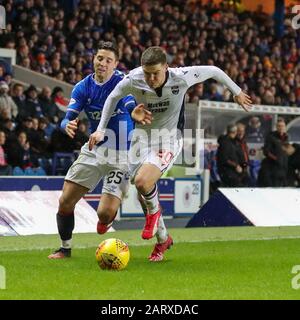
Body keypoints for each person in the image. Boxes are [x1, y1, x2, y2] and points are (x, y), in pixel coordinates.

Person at [89, 46, 252, 261]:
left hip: (168, 139)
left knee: (142, 182)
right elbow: (112, 97)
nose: (151, 78)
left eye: (156, 73)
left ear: (166, 67)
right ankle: (163, 239)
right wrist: (100, 129)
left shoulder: (182, 77)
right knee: (142, 194)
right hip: (140, 140)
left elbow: (214, 70)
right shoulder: (133, 78)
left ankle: (154, 216)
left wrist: (237, 91)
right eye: (147, 73)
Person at [48, 41, 137, 259]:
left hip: (122, 155)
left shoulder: (123, 83)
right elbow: (67, 118)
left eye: (108, 60)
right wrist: (65, 125)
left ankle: (105, 220)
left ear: (115, 64)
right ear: (93, 60)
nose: (103, 63)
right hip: (94, 149)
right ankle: (65, 248)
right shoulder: (82, 87)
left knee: (105, 213)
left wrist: (134, 111)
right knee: (65, 201)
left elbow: (129, 104)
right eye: (100, 58)